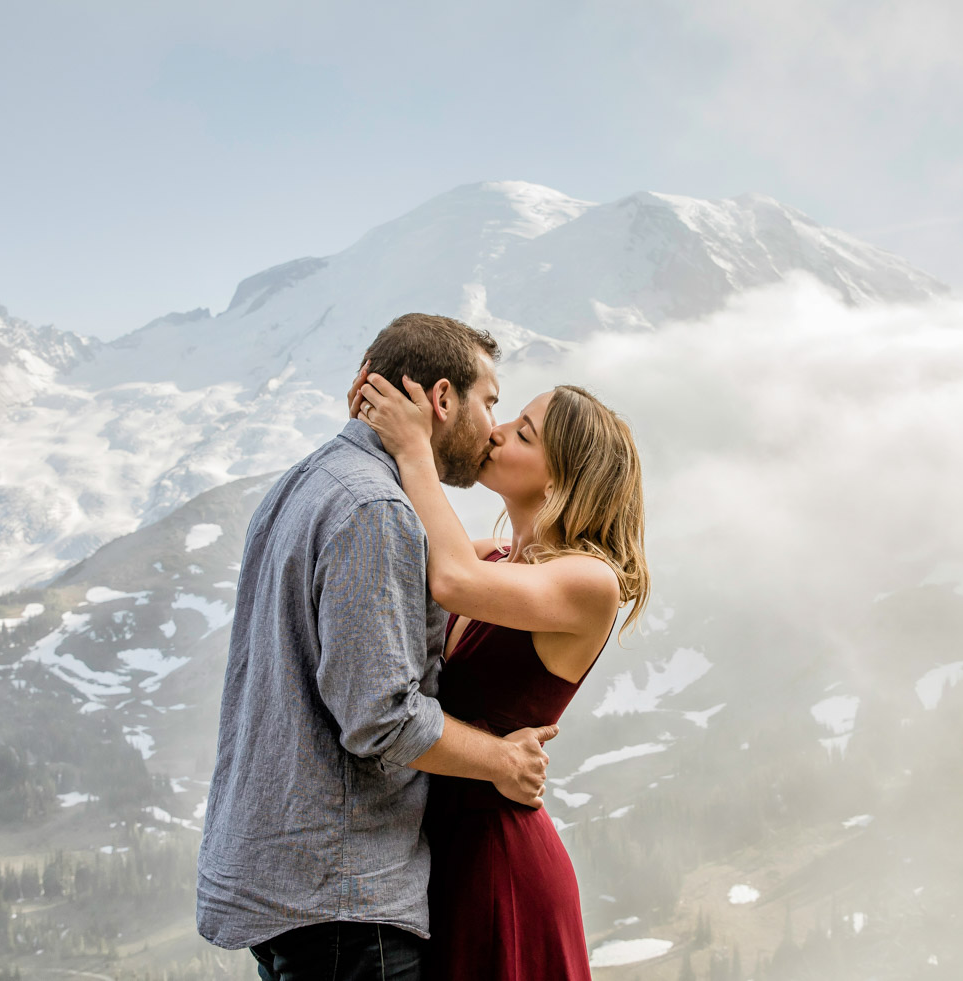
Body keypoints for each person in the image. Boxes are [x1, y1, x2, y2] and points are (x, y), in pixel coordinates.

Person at [197, 313, 561, 981]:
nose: (491, 428)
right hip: (345, 898)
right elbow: (381, 714)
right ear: (442, 399)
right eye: (490, 402)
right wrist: (502, 758)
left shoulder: (301, 486)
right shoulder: (377, 509)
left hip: (293, 889)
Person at [354, 369, 650, 981]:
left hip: (499, 860)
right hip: (440, 847)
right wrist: (375, 422)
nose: (496, 431)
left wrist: (415, 450)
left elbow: (453, 580)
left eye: (524, 433)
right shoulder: (494, 559)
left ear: (562, 476)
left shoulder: (588, 583)